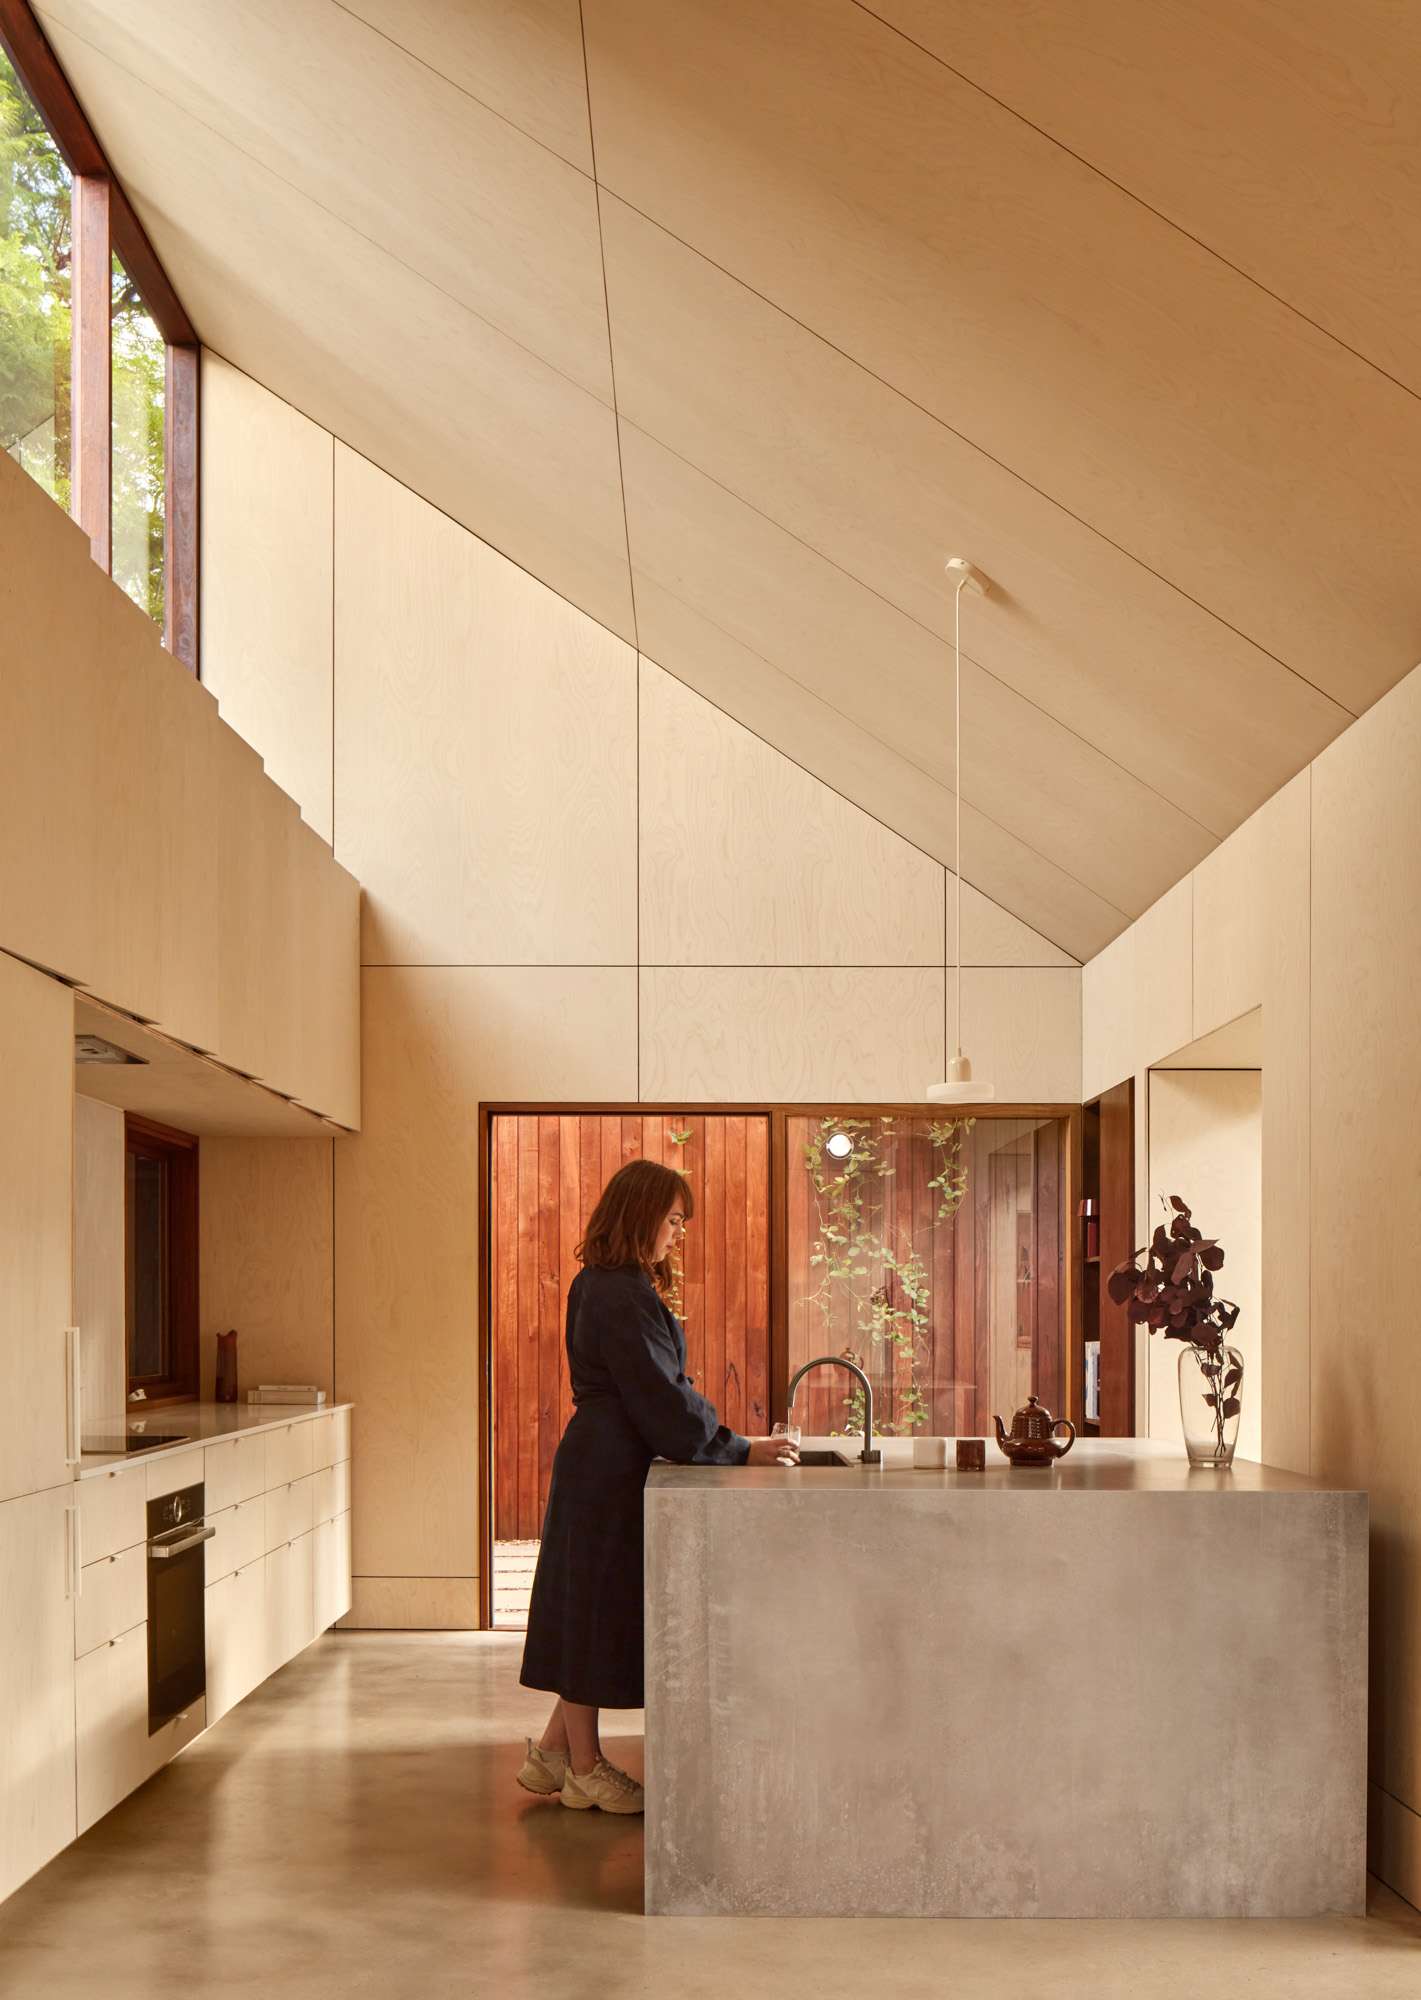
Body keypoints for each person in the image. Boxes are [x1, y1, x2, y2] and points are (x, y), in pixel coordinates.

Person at [516, 1158, 795, 1813]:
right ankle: (585, 1769)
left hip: (598, 1457)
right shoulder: (620, 1293)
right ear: (641, 1213)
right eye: (672, 1219)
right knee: (594, 1609)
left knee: (585, 1603)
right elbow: (660, 1398)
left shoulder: (599, 1281)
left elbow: (658, 1391)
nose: (676, 1232)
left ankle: (555, 1755)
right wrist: (741, 1448)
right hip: (611, 1464)